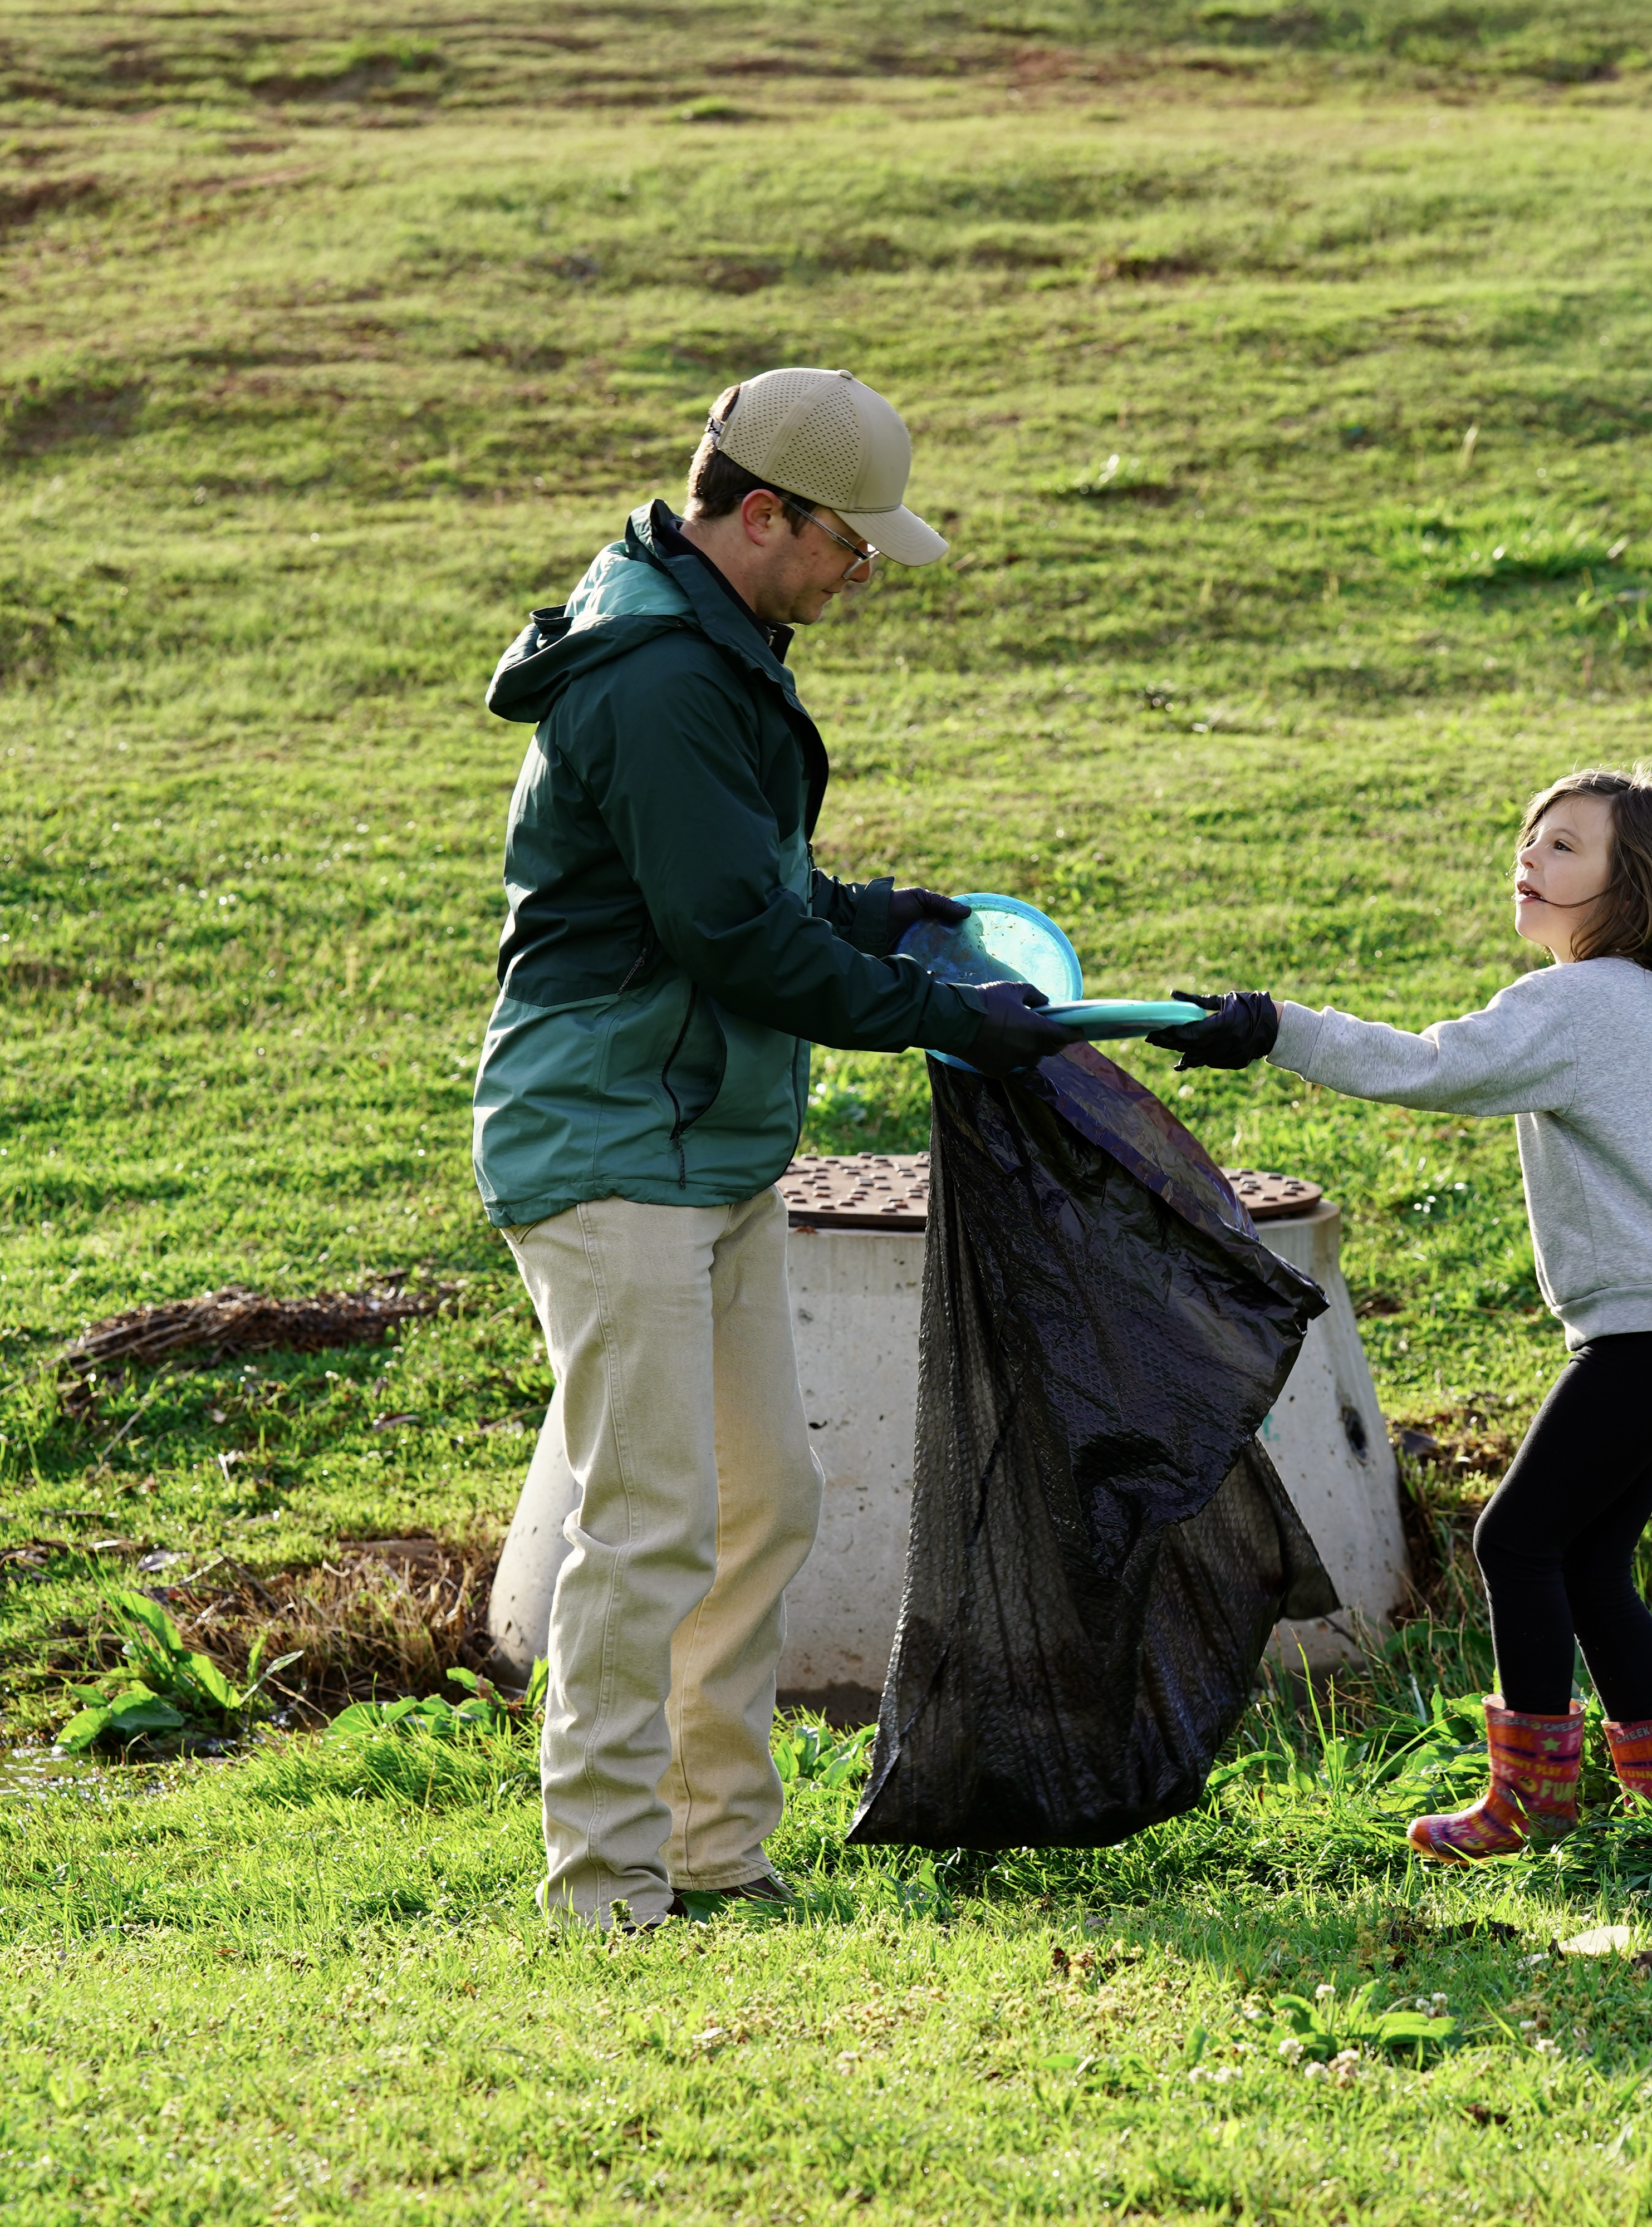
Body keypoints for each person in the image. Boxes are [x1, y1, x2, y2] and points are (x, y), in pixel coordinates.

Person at [472, 366, 1073, 1931]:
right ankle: (606, 1884)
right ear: (759, 516)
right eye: (851, 546)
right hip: (612, 1138)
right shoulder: (663, 680)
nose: (865, 573)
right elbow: (734, 937)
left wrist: (899, 921)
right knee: (655, 1513)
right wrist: (942, 1012)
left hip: (705, 1139)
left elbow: (753, 883)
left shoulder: (719, 650)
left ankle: (714, 1850)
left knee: (765, 1505)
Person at [1150, 767, 1652, 1861]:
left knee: (1514, 1536)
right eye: (1532, 837)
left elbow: (1432, 1066)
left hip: (1650, 1332)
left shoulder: (1587, 998)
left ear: (1636, 882)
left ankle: (1530, 1801)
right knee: (1590, 1561)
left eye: (1567, 846)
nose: (1533, 856)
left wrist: (1275, 1027)